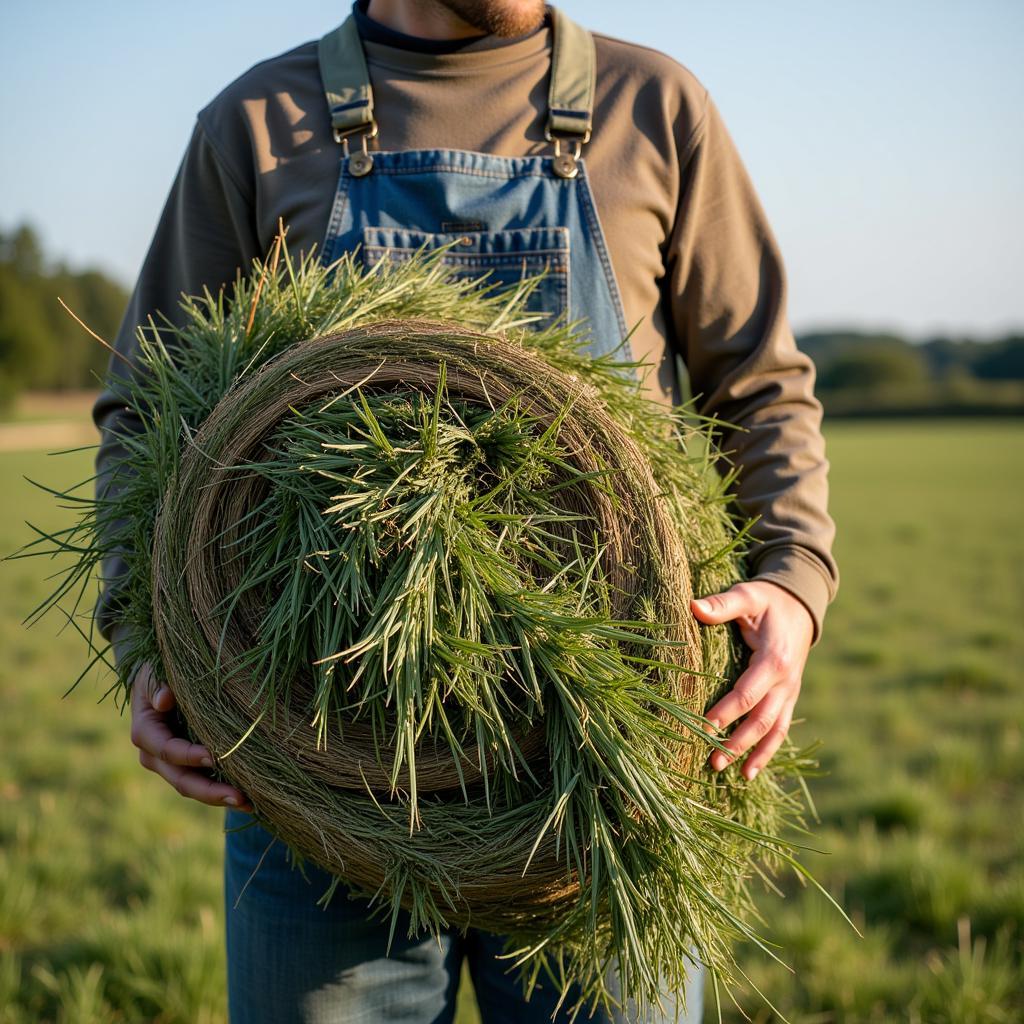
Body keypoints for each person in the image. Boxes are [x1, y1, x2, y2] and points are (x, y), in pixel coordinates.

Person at [98, 1, 839, 1020]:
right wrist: (142, 632)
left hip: (607, 786)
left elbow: (759, 385)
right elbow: (147, 407)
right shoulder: (260, 122)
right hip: (317, 785)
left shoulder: (654, 106)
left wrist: (796, 586)